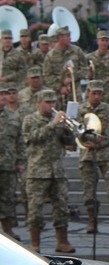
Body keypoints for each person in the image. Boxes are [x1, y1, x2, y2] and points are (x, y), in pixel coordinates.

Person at [22, 89, 77, 253]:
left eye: (53, 102)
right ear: (39, 103)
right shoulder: (30, 119)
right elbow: (32, 137)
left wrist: (68, 129)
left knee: (61, 207)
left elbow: (70, 143)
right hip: (37, 171)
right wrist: (52, 124)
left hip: (57, 171)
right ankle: (35, 243)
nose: (51, 105)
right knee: (35, 210)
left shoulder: (58, 122)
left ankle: (62, 241)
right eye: (48, 102)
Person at [78, 80, 109, 233]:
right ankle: (92, 220)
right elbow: (75, 129)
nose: (97, 96)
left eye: (99, 93)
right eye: (94, 93)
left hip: (106, 154)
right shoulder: (81, 110)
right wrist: (83, 141)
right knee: (88, 191)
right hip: (87, 155)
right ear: (88, 93)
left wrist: (99, 143)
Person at [0, 83, 24, 240]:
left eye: (4, 95)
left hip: (7, 165)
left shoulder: (13, 117)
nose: (2, 98)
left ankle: (7, 230)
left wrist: (21, 160)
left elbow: (20, 141)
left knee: (7, 199)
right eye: (0, 94)